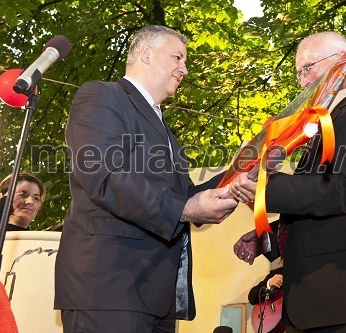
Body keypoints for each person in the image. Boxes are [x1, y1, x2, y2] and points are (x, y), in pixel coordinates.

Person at [54, 25, 239, 333]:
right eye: (178, 57)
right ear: (145, 54)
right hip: (109, 287)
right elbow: (105, 176)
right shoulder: (101, 96)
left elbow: (185, 196)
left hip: (156, 296)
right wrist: (184, 209)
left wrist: (238, 171)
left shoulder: (166, 132)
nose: (185, 69)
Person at [230, 31, 346, 332]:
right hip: (314, 306)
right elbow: (315, 208)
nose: (303, 81)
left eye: (308, 67)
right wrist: (268, 237)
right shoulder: (321, 129)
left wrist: (266, 187)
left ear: (342, 64)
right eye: (298, 73)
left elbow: (341, 190)